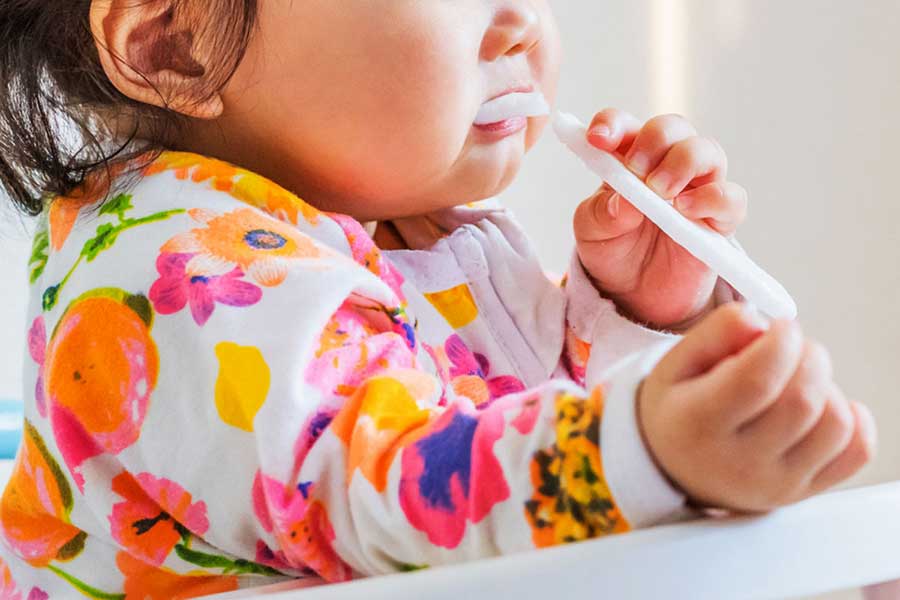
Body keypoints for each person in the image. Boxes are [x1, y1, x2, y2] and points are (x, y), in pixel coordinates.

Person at [0, 1, 875, 596]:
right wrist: (644, 449)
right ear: (172, 46)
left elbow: (512, 432)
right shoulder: (176, 276)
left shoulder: (407, 232)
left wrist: (631, 311)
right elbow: (396, 494)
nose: (521, 22)